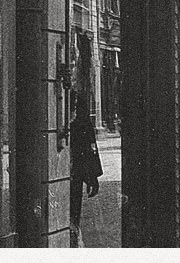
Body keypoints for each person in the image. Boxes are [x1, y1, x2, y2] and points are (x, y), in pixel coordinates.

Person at [69, 91, 101, 247]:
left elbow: (90, 146)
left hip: (76, 172)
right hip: (72, 171)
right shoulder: (78, 102)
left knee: (73, 215)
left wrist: (92, 176)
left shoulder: (80, 107)